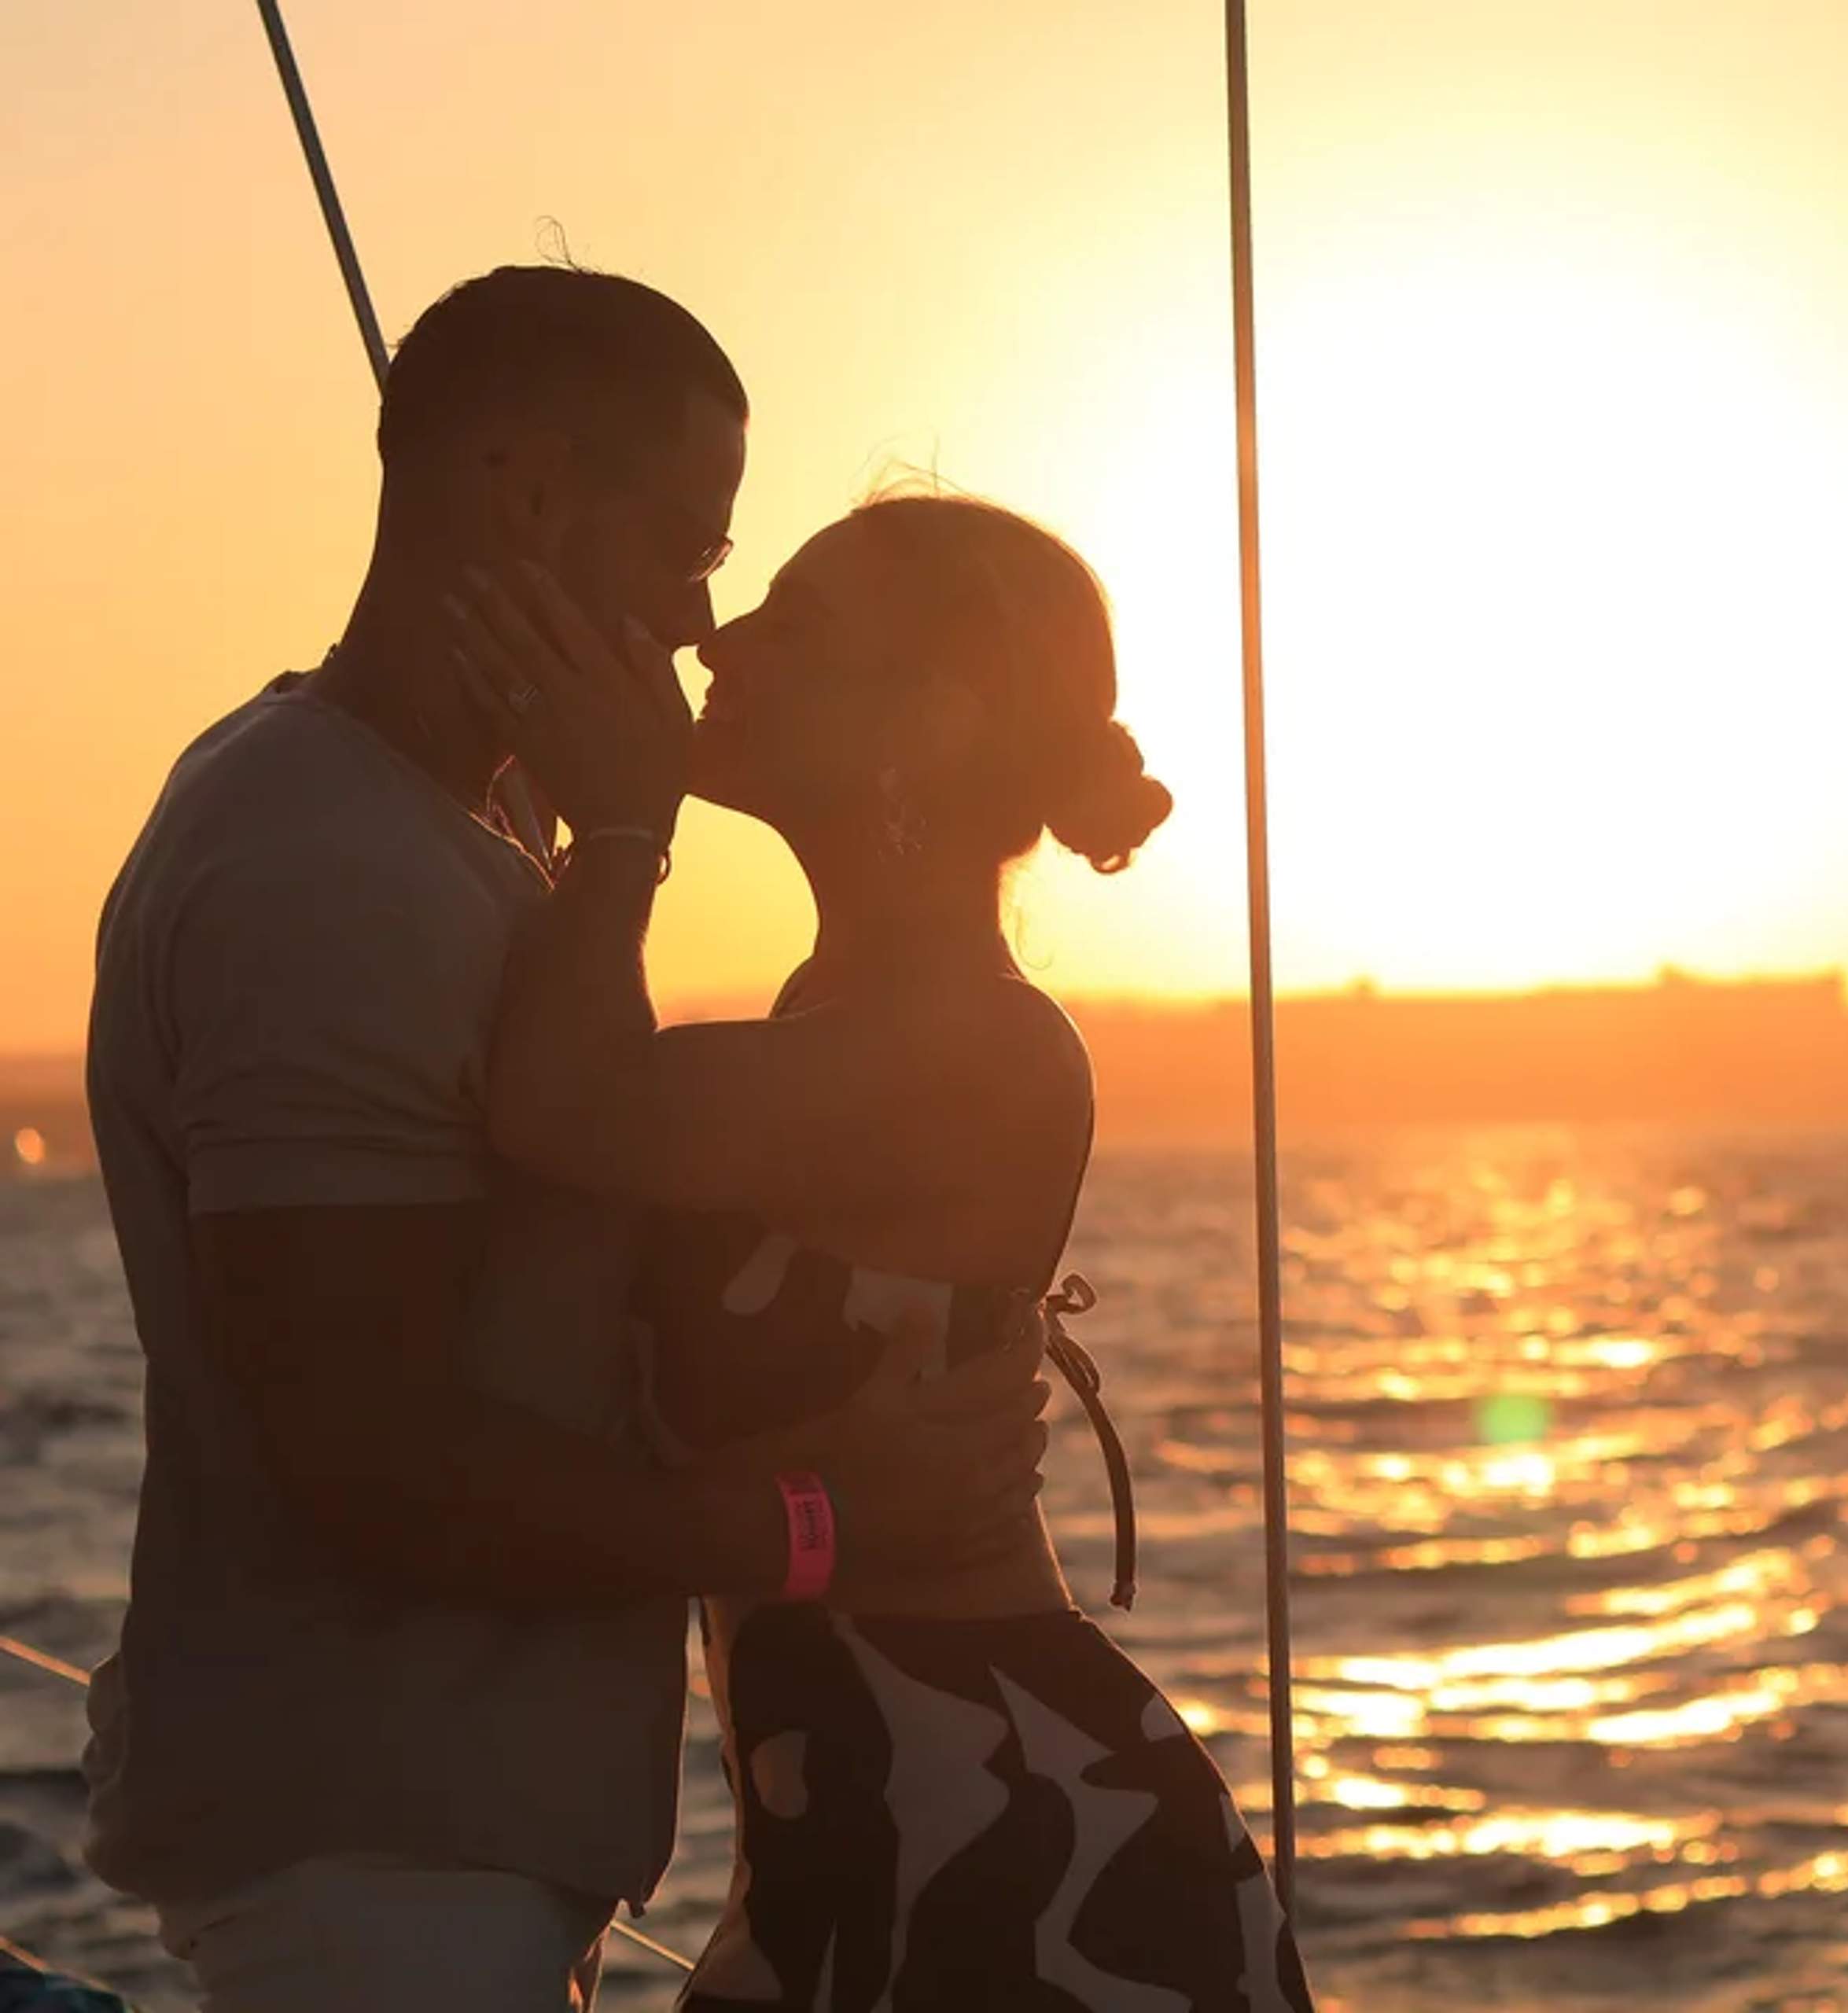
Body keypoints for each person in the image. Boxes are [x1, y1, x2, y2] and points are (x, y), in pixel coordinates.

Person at [80, 267, 1051, 2012]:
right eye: (689, 545)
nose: (700, 622)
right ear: (523, 493)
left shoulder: (457, 828)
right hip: (379, 1864)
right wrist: (822, 1519)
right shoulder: (327, 862)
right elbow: (366, 1452)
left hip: (465, 1837)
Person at [445, 488, 1314, 2009]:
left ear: (928, 714)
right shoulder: (836, 1011)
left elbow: (561, 1103)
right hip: (860, 1824)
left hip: (1023, 1833)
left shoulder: (979, 1046)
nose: (724, 641)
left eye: (797, 623)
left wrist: (627, 822)